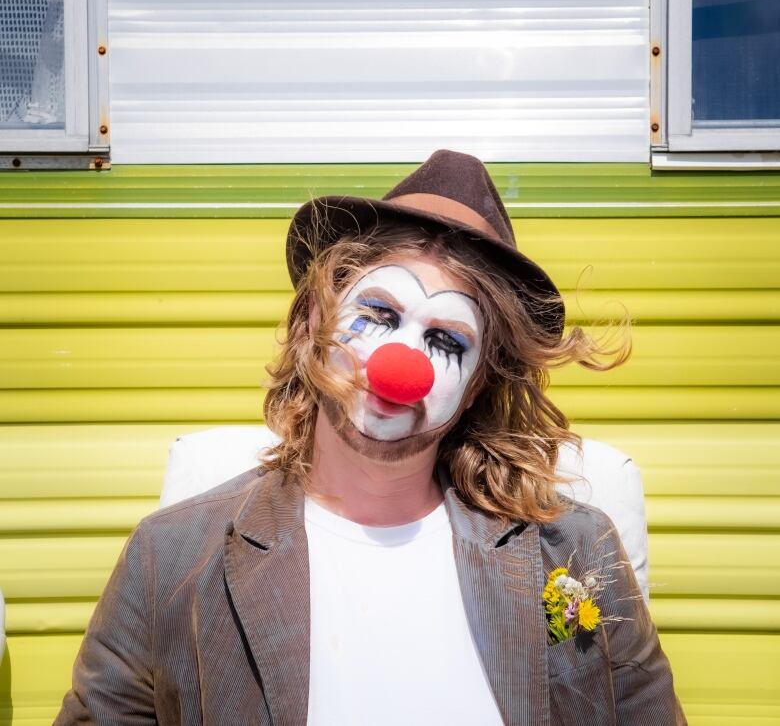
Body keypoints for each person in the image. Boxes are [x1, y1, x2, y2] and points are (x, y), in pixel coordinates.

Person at [55, 150, 686, 725]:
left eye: (447, 341)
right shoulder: (168, 558)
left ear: (477, 384)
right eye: (379, 314)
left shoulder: (578, 552)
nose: (400, 363)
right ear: (313, 320)